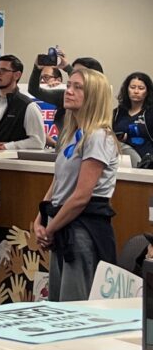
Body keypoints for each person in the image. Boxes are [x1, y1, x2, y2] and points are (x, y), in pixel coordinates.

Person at [33, 69, 120, 302]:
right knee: (58, 302)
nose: (68, 91)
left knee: (74, 305)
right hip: (61, 224)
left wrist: (50, 230)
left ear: (93, 95)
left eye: (78, 87)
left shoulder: (98, 136)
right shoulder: (72, 134)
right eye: (68, 85)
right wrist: (40, 218)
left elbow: (81, 196)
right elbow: (58, 180)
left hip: (82, 229)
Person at [0, 55, 45, 151]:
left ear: (17, 75)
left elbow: (38, 141)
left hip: (12, 163)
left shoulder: (27, 106)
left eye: (2, 71)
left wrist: (7, 147)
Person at [113, 72, 152, 163]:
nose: (136, 91)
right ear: (127, 90)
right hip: (121, 160)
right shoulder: (118, 113)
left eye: (141, 88)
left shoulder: (150, 113)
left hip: (147, 161)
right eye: (132, 87)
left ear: (147, 92)